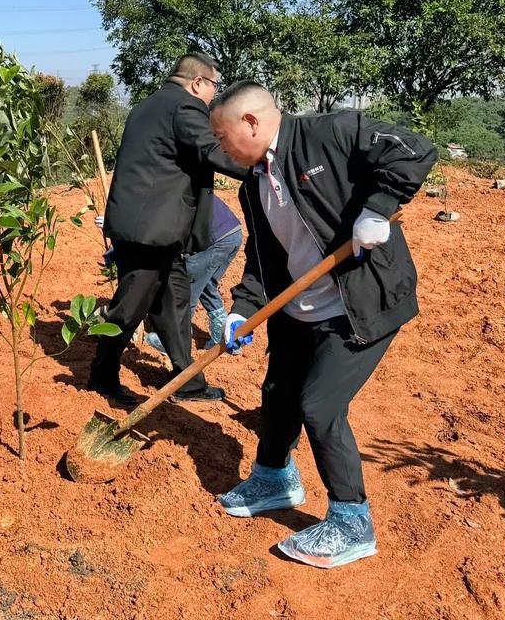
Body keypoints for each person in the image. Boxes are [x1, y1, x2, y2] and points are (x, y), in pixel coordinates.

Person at [208, 81, 436, 568]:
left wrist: (377, 210)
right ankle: (274, 478)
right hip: (299, 308)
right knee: (278, 393)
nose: (220, 148)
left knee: (320, 403)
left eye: (223, 136)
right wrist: (243, 309)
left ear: (251, 122)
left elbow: (413, 150)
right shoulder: (253, 183)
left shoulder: (332, 132)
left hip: (360, 303)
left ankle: (353, 521)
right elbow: (265, 257)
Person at [87, 53, 247, 409]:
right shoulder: (185, 108)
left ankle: (186, 381)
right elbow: (210, 151)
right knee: (129, 307)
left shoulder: (145, 106)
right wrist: (258, 168)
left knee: (174, 303)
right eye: (214, 87)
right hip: (149, 232)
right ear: (197, 83)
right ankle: (102, 375)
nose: (212, 96)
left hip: (153, 230)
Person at [144, 194, 243, 352]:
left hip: (213, 239)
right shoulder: (176, 180)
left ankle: (171, 341)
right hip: (232, 233)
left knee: (185, 289)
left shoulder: (162, 196)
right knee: (206, 285)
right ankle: (224, 337)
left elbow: (162, 234)